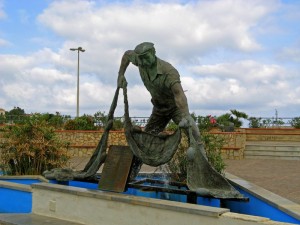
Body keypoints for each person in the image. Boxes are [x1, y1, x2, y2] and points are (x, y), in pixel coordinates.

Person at [118, 42, 200, 141]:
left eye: (146, 57)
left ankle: (200, 153)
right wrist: (121, 75)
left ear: (153, 53)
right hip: (159, 109)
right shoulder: (140, 60)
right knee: (147, 140)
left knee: (194, 135)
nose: (143, 62)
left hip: (175, 107)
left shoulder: (168, 71)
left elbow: (178, 93)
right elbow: (127, 55)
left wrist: (186, 116)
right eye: (141, 59)